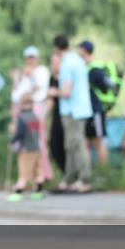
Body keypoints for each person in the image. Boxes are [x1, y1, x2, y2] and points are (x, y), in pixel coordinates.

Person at [47, 34, 93, 193]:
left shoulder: (67, 64)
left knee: (76, 145)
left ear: (56, 48)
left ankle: (83, 179)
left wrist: (53, 91)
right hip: (81, 108)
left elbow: (66, 92)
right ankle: (69, 179)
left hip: (73, 110)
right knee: (71, 145)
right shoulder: (77, 60)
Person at [10, 46, 52, 181]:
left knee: (37, 140)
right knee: (21, 141)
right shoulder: (22, 73)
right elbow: (16, 94)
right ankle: (24, 176)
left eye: (33, 57)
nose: (30, 60)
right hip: (21, 108)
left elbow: (40, 88)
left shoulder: (42, 71)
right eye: (28, 57)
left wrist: (30, 75)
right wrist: (16, 79)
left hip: (35, 107)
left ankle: (42, 174)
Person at [77, 40, 116, 168]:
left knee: (98, 142)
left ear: (85, 50)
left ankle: (103, 172)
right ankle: (87, 172)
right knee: (86, 142)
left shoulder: (95, 69)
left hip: (96, 111)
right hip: (87, 112)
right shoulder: (87, 68)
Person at [7, 94, 45, 202]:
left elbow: (20, 133)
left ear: (21, 105)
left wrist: (12, 141)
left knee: (23, 172)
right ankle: (38, 191)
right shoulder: (35, 117)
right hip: (36, 148)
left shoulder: (22, 118)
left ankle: (18, 192)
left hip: (26, 149)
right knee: (37, 171)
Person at [46, 51, 67, 178]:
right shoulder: (52, 78)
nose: (53, 65)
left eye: (55, 62)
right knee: (54, 145)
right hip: (56, 115)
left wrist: (56, 92)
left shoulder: (67, 76)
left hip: (68, 114)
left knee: (67, 146)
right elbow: (50, 99)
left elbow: (67, 93)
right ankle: (65, 173)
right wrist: (43, 116)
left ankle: (71, 175)